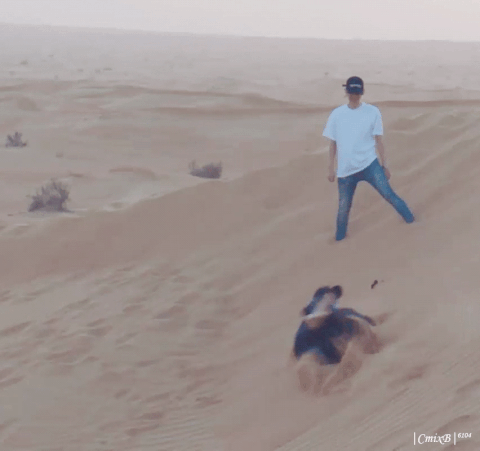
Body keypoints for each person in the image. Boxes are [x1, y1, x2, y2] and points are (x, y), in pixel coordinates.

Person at [322, 76, 415, 241]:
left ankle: (413, 223)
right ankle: (339, 240)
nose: (354, 96)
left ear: (362, 92)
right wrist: (330, 168)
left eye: (356, 93)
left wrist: (385, 165)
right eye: (352, 92)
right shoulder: (337, 114)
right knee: (343, 209)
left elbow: (379, 140)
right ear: (346, 92)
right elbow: (333, 144)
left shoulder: (373, 112)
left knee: (389, 194)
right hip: (345, 171)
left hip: (370, 165)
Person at [292, 285, 376, 365]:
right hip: (324, 329)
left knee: (315, 354)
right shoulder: (337, 312)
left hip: (308, 338)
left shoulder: (310, 310)